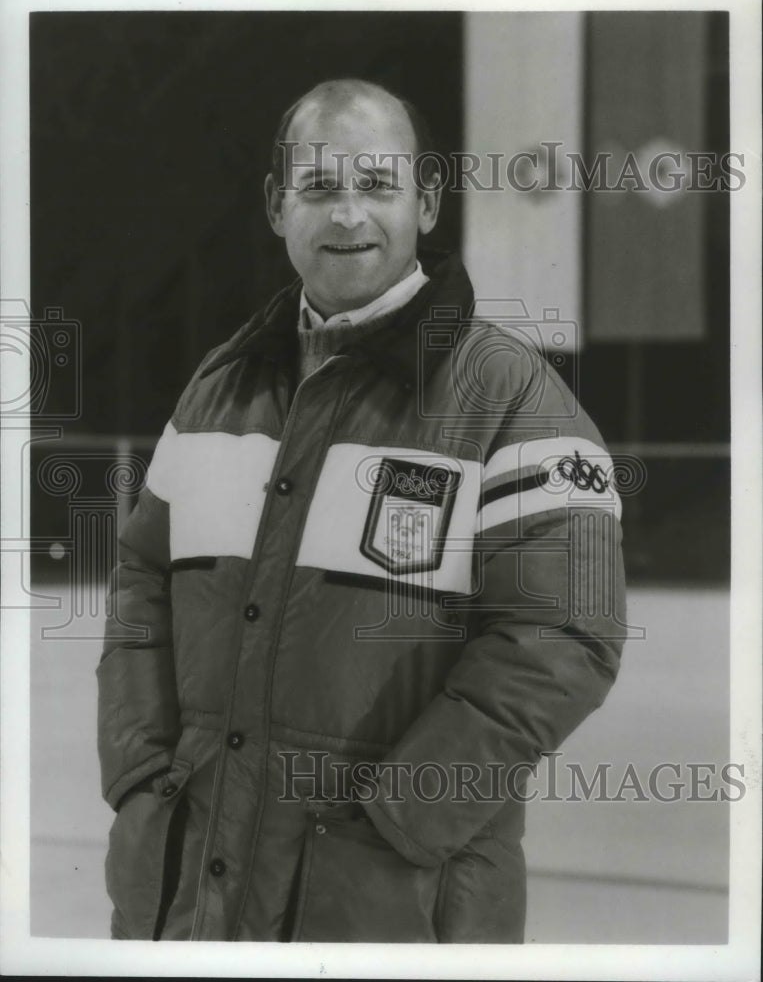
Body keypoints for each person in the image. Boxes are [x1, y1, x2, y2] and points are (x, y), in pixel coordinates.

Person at [97, 78, 627, 943]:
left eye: (376, 185)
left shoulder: (512, 399)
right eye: (318, 187)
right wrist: (138, 773)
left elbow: (565, 637)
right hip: (187, 892)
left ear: (425, 202)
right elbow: (140, 577)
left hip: (387, 907)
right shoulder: (216, 389)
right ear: (277, 206)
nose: (346, 216)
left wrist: (400, 823)